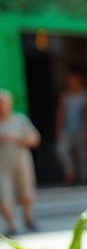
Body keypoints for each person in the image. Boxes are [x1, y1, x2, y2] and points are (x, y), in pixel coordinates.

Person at [0, 89, 40, 234]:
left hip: (21, 163)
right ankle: (11, 225)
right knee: (3, 196)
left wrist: (17, 138)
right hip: (2, 166)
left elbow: (35, 140)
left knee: (26, 194)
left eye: (4, 103)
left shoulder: (20, 120)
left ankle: (28, 218)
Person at [54, 72, 87, 184]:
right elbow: (60, 113)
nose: (73, 84)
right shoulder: (65, 96)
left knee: (83, 153)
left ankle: (85, 176)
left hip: (81, 129)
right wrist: (58, 130)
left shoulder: (86, 95)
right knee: (61, 149)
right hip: (67, 129)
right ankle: (70, 173)